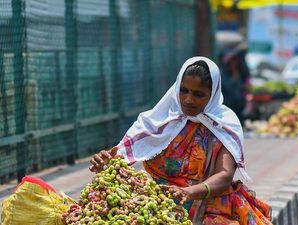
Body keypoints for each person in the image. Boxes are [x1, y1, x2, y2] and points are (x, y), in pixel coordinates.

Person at [90, 57, 273, 224]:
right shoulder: (158, 120)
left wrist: (189, 192)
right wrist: (106, 164)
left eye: (198, 94)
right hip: (158, 205)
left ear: (213, 94)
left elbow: (224, 176)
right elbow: (122, 157)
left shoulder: (223, 124)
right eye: (184, 91)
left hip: (207, 207)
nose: (188, 100)